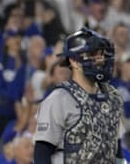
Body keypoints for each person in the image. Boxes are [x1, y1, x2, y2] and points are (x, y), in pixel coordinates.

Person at [33, 28, 124, 164]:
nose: (100, 59)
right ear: (74, 61)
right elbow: (42, 153)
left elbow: (117, 150)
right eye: (93, 54)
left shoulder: (112, 96)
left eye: (101, 54)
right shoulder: (58, 99)